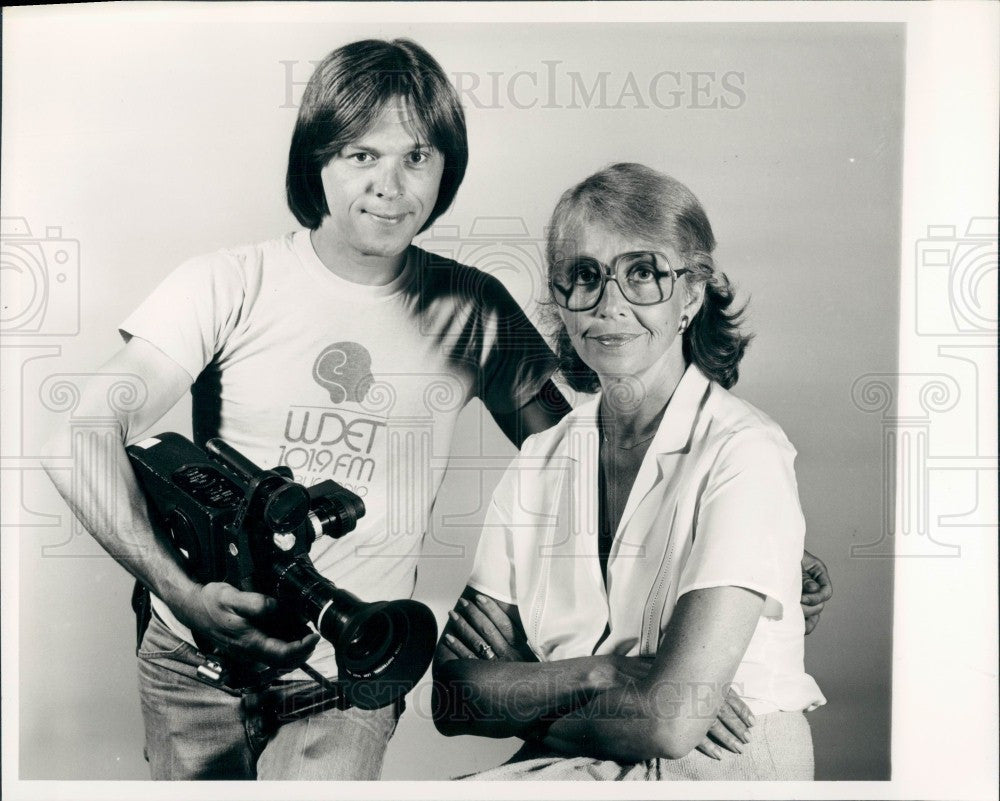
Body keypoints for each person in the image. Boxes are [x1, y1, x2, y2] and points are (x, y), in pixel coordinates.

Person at [41, 39, 830, 781]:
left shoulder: (471, 307)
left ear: (445, 169)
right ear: (317, 161)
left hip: (352, 670)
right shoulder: (227, 283)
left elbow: (596, 457)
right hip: (192, 661)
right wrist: (181, 595)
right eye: (361, 154)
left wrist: (752, 593)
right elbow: (73, 430)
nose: (390, 186)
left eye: (416, 155)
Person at [432, 163, 827, 780]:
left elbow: (671, 722)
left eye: (643, 273)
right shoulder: (539, 460)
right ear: (560, 300)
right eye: (585, 277)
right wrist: (602, 672)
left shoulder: (744, 450)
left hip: (716, 763)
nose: (610, 305)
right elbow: (454, 697)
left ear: (692, 295)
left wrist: (526, 697)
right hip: (572, 758)